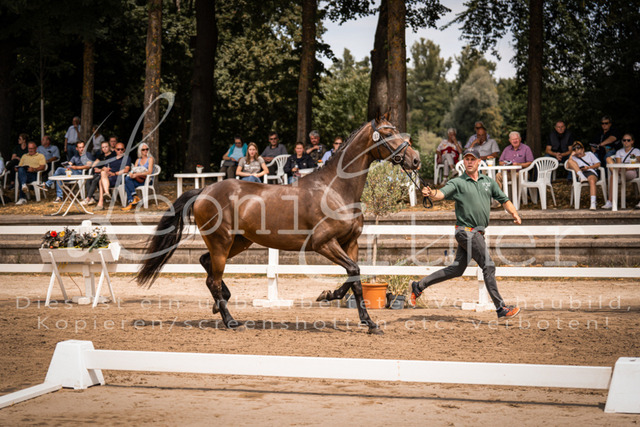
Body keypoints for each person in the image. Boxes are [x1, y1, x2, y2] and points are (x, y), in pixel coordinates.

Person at [409, 148, 522, 320]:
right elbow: (441, 193)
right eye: (466, 159)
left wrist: (514, 213)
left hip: (476, 233)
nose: (469, 162)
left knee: (457, 269)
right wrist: (431, 193)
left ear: (479, 162)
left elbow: (503, 199)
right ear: (463, 162)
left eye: (472, 159)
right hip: (466, 232)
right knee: (489, 266)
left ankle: (419, 286)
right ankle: (501, 308)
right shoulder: (458, 182)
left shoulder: (488, 182)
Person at [602, 133, 640, 210]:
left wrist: (627, 168)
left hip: (631, 172)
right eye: (624, 140)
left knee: (614, 175)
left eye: (628, 140)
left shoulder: (636, 151)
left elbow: (638, 163)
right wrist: (622, 169)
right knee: (609, 162)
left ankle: (615, 173)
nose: (626, 142)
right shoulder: (619, 152)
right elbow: (619, 164)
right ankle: (610, 201)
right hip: (621, 172)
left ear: (632, 141)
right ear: (622, 141)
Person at [95, 142, 131, 211]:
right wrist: (105, 170)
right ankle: (107, 193)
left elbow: (126, 169)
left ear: (124, 150)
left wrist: (115, 173)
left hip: (119, 177)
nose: (120, 151)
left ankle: (100, 203)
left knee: (100, 181)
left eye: (122, 149)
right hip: (110, 176)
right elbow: (105, 168)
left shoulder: (126, 158)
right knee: (103, 173)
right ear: (115, 150)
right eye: (118, 149)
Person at [566, 141, 601, 210]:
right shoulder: (573, 157)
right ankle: (582, 177)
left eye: (579, 151)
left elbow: (598, 164)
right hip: (580, 173)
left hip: (590, 171)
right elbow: (567, 166)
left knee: (592, 180)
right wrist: (571, 155)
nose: (578, 154)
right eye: (576, 151)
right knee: (570, 161)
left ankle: (593, 203)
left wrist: (589, 167)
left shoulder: (589, 154)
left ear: (583, 149)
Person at [81, 140, 115, 205]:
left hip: (106, 175)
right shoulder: (101, 156)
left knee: (95, 180)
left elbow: (109, 168)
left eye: (106, 147)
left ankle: (88, 198)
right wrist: (95, 167)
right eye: (103, 147)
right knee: (88, 180)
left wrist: (100, 169)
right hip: (99, 173)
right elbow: (94, 165)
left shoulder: (113, 155)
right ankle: (91, 198)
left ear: (109, 147)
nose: (104, 148)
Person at [122, 142, 154, 211]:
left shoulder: (150, 159)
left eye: (147, 149)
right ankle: (133, 199)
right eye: (143, 149)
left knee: (127, 184)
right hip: (138, 180)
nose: (145, 151)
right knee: (127, 178)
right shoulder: (138, 160)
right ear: (140, 151)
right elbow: (134, 170)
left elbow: (149, 172)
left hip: (147, 180)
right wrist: (131, 173)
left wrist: (137, 174)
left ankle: (132, 202)